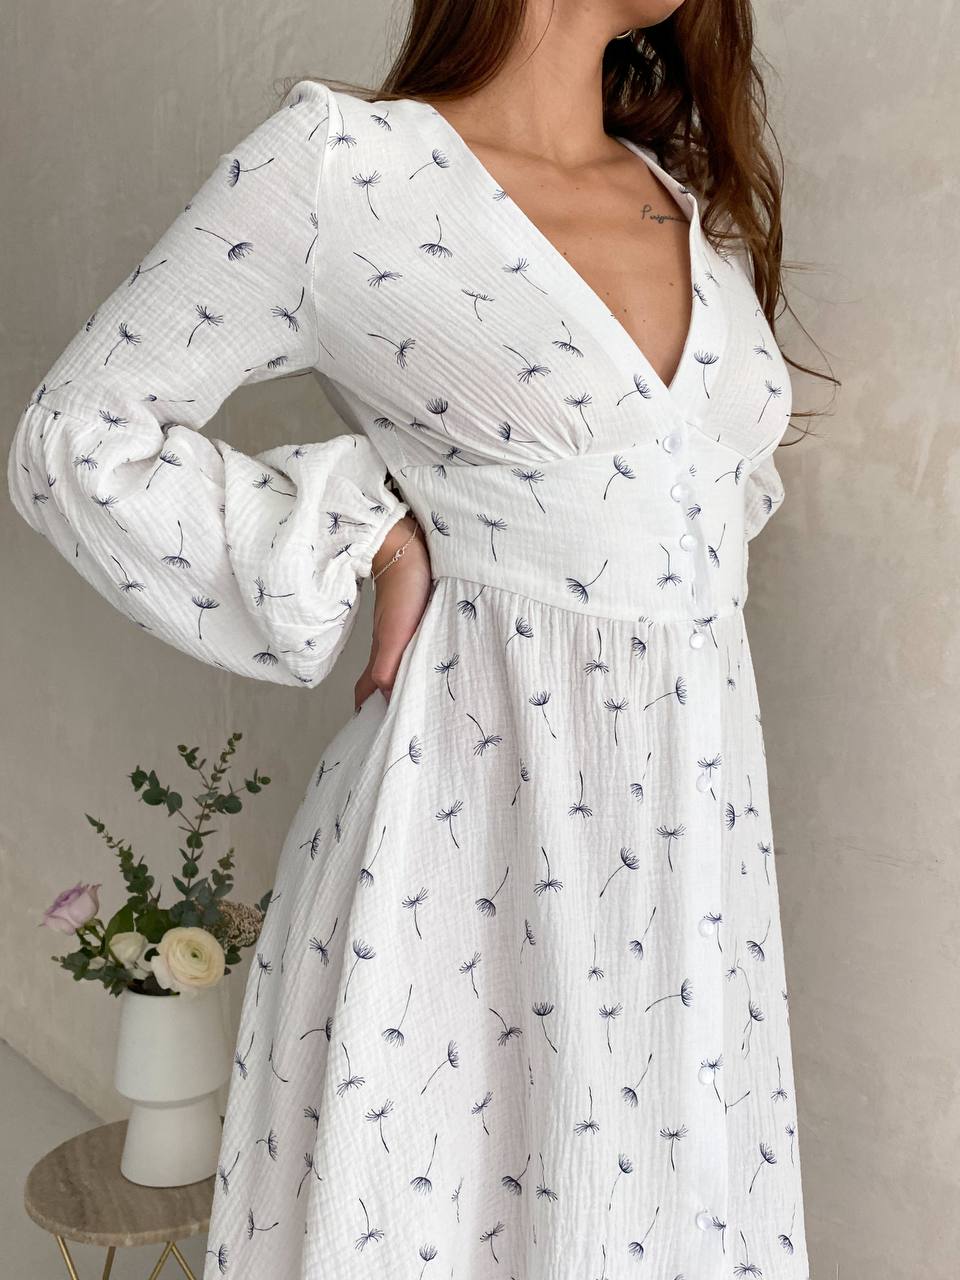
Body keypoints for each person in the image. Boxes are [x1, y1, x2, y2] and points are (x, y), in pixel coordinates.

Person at [8, 3, 821, 1276]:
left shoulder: (677, 196)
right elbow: (77, 435)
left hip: (693, 899)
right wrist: (367, 535)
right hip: (460, 867)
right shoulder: (347, 172)